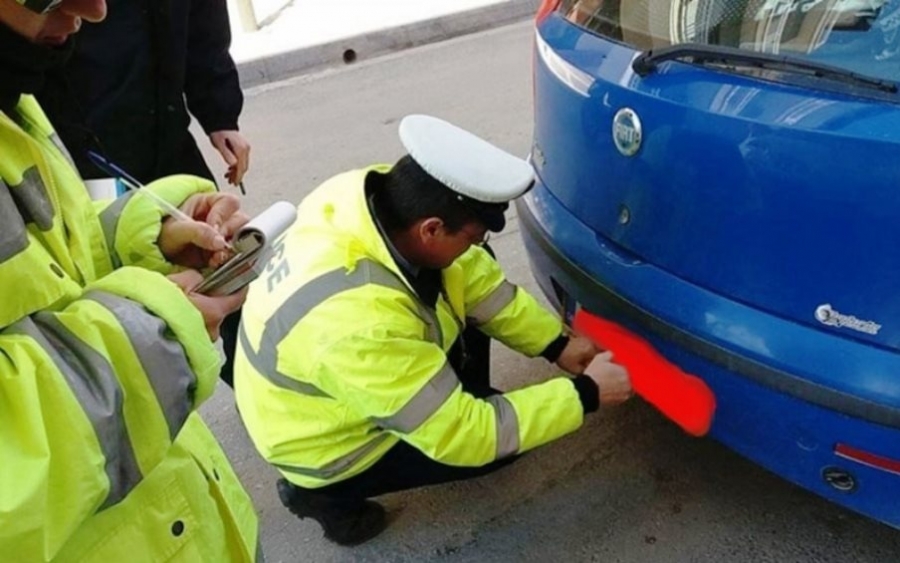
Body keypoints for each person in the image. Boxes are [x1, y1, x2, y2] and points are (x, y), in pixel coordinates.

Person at [234, 114, 634, 546]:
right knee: (498, 446)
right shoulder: (360, 323)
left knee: (466, 290)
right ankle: (320, 496)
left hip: (323, 382)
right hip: (321, 441)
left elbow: (475, 278)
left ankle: (441, 397)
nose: (476, 247)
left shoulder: (371, 198)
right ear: (431, 229)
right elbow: (467, 436)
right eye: (473, 236)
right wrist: (586, 394)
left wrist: (556, 345)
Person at [0, 0, 260, 560]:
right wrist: (156, 335)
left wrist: (145, 234)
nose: (95, 11)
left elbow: (46, 258)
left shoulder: (14, 93)